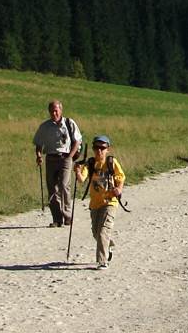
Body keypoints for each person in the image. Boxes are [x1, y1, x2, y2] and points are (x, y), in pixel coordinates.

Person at [74, 134, 125, 269]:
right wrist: (78, 171)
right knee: (96, 233)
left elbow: (120, 177)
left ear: (108, 149)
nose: (99, 151)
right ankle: (107, 246)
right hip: (95, 204)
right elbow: (81, 179)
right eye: (96, 147)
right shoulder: (90, 163)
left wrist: (118, 189)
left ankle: (102, 261)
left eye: (102, 148)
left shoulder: (111, 162)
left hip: (110, 202)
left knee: (103, 232)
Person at [33, 100, 82, 227]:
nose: (54, 113)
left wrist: (70, 156)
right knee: (52, 189)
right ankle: (57, 219)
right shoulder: (45, 126)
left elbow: (77, 141)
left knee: (64, 186)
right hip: (50, 158)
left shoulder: (69, 123)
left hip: (65, 157)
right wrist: (38, 155)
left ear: (61, 110)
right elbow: (38, 143)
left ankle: (67, 216)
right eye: (51, 111)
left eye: (56, 110)